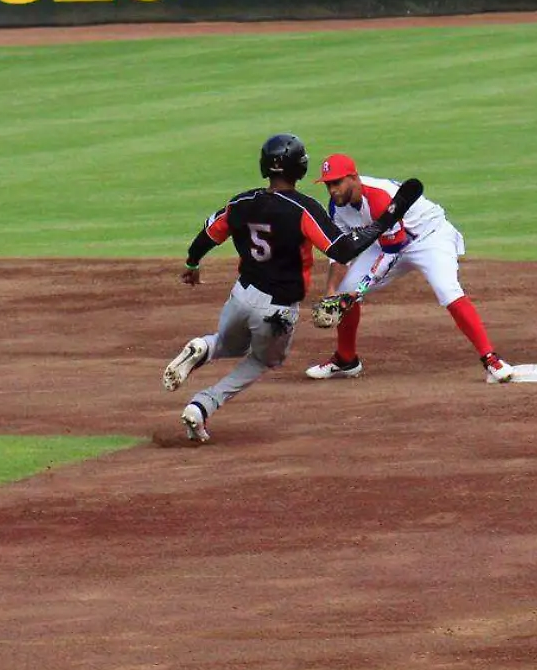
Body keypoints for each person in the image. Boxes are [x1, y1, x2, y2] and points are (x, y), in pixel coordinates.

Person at [161, 135, 417, 443]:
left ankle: (204, 346)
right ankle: (203, 405)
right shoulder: (303, 209)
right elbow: (341, 251)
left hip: (240, 295)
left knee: (230, 344)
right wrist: (381, 223)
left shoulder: (241, 202)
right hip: (276, 309)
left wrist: (192, 263)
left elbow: (207, 234)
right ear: (300, 169)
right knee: (262, 360)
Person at [302, 154, 514, 384]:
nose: (332, 190)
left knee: (448, 290)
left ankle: (490, 359)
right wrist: (333, 290)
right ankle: (346, 359)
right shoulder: (337, 207)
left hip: (429, 237)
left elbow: (392, 252)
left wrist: (358, 292)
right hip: (386, 240)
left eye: (337, 182)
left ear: (354, 178)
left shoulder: (379, 197)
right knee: (345, 291)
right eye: (328, 184)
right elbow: (342, 252)